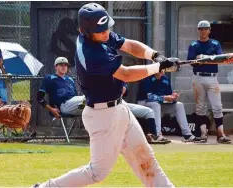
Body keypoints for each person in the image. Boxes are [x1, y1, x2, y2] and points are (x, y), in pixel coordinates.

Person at [33, 3, 177, 187]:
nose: (106, 32)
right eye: (100, 31)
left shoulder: (100, 35)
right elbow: (125, 74)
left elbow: (129, 45)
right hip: (103, 116)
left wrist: (155, 55)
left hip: (119, 108)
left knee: (146, 160)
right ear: (85, 31)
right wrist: (158, 67)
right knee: (97, 173)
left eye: (106, 27)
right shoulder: (91, 52)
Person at [186, 20, 231, 144]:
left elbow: (221, 59)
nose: (204, 31)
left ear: (210, 30)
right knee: (200, 107)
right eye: (201, 29)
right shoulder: (194, 44)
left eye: (206, 29)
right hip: (198, 77)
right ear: (198, 30)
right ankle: (203, 134)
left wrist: (204, 58)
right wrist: (199, 59)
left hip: (212, 77)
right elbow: (191, 61)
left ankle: (220, 134)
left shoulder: (215, 44)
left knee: (217, 107)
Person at [137, 71, 200, 142]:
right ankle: (157, 134)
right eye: (160, 68)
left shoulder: (165, 79)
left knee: (179, 105)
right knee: (155, 104)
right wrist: (165, 97)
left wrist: (173, 97)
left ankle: (187, 134)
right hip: (144, 104)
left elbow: (168, 94)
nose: (162, 71)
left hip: (160, 104)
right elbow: (149, 97)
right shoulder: (147, 78)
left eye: (163, 68)